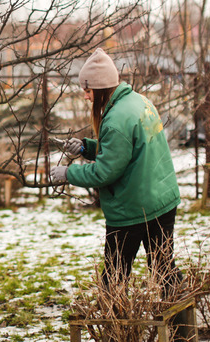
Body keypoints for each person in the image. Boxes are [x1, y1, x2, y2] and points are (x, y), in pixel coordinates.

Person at [50, 48, 182, 296]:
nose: (86, 97)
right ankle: (182, 326)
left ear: (99, 89)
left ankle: (113, 330)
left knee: (114, 277)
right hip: (161, 200)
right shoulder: (138, 101)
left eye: (88, 91)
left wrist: (68, 175)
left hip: (132, 209)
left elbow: (104, 173)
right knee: (164, 269)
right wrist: (86, 148)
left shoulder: (115, 119)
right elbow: (125, 151)